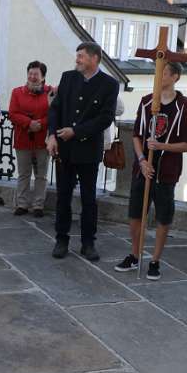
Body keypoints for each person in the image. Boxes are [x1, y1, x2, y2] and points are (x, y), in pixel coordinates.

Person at [117, 60, 187, 279]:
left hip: (166, 171)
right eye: (156, 73)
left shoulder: (183, 106)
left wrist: (161, 146)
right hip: (143, 169)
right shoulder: (146, 102)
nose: (158, 77)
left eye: (163, 73)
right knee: (135, 214)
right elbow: (135, 135)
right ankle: (135, 254)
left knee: (163, 217)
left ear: (174, 77)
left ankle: (155, 260)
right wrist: (142, 160)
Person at [48, 42, 120, 261]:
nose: (77, 59)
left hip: (88, 150)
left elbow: (105, 118)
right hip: (64, 149)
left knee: (89, 199)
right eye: (77, 55)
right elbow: (56, 108)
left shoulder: (109, 84)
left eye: (81, 56)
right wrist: (52, 135)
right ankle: (62, 239)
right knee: (63, 197)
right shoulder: (68, 77)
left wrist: (77, 131)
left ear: (94, 58)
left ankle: (88, 243)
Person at [9, 61, 52, 217]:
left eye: (36, 74)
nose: (33, 77)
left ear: (43, 77)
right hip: (23, 139)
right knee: (24, 174)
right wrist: (29, 123)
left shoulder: (50, 93)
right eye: (30, 73)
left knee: (41, 174)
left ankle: (38, 205)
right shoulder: (17, 92)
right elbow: (13, 113)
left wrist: (40, 123)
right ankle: (22, 204)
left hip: (43, 140)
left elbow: (54, 114)